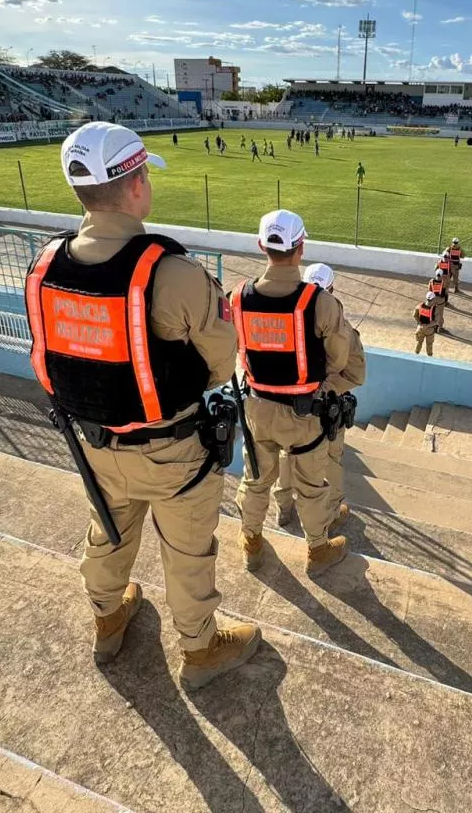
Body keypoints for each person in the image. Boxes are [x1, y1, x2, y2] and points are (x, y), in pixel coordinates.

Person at [23, 122, 259, 689]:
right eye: (145, 175)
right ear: (134, 186)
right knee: (187, 553)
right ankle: (200, 650)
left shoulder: (45, 263)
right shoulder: (174, 273)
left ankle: (107, 619)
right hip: (172, 450)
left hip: (93, 443)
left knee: (107, 532)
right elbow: (220, 365)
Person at [230, 210, 353, 578]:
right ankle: (317, 549)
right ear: (301, 247)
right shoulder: (320, 301)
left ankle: (251, 541)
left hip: (257, 408)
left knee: (256, 480)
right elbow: (339, 359)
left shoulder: (238, 296)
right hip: (304, 414)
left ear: (261, 246)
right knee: (312, 487)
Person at [273, 262, 365, 528]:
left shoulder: (283, 320)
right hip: (326, 409)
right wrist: (321, 390)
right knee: (330, 461)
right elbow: (356, 374)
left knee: (287, 455)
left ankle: (284, 508)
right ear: (331, 290)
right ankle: (331, 513)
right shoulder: (343, 328)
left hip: (288, 406)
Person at [414, 291, 439, 356]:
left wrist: (420, 323)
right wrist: (427, 326)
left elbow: (415, 315)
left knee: (419, 342)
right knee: (429, 344)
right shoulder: (435, 309)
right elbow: (436, 321)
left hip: (420, 328)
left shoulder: (419, 306)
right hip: (429, 329)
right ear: (433, 299)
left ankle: (416, 354)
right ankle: (429, 356)